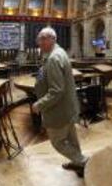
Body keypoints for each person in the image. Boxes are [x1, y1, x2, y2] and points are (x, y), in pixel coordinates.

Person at [33, 27, 88, 177]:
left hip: (58, 110)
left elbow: (56, 91)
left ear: (51, 39)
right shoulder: (59, 52)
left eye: (43, 39)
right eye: (39, 39)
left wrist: (39, 104)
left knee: (58, 142)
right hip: (67, 108)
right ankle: (78, 164)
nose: (40, 43)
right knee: (71, 138)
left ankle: (83, 162)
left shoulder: (53, 59)